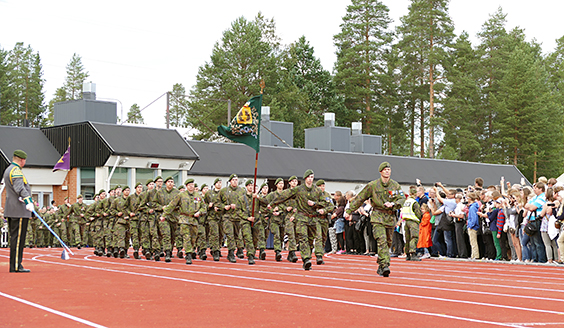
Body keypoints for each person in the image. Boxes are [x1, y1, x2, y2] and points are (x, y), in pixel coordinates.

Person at [345, 162, 406, 277]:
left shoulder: (395, 185)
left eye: (389, 169)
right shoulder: (372, 185)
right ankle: (385, 264)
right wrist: (349, 211)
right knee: (381, 240)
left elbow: (402, 198)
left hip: (390, 217)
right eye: (385, 169)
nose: (387, 171)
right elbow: (359, 198)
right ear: (380, 172)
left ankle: (381, 264)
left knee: (388, 242)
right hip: (378, 216)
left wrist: (393, 204)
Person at [269, 169, 332, 270]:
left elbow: (326, 204)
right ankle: (306, 259)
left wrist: (315, 204)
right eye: (309, 177)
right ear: (305, 178)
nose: (310, 179)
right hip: (301, 217)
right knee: (303, 238)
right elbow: (285, 196)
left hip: (313, 218)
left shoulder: (317, 191)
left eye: (312, 177)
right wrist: (272, 203)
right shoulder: (299, 189)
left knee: (311, 240)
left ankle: (308, 255)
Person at [162, 179, 206, 264]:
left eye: (192, 185)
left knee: (193, 238)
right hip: (184, 219)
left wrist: (199, 212)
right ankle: (188, 254)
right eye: (189, 185)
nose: (191, 186)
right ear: (186, 186)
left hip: (194, 220)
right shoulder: (181, 195)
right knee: (186, 237)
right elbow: (172, 205)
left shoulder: (198, 196)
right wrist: (164, 215)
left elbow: (204, 207)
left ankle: (190, 250)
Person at [3, 150, 34, 273]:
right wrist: (28, 202)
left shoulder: (8, 169)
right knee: (18, 240)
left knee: (15, 239)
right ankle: (16, 265)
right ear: (22, 160)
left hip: (12, 209)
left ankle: (15, 264)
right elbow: (20, 188)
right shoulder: (16, 171)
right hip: (18, 210)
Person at [398, 186, 422, 261]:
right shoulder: (414, 202)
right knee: (414, 237)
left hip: (406, 221)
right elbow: (418, 213)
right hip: (413, 221)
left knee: (407, 238)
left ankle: (407, 254)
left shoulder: (406, 202)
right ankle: (413, 253)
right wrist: (419, 218)